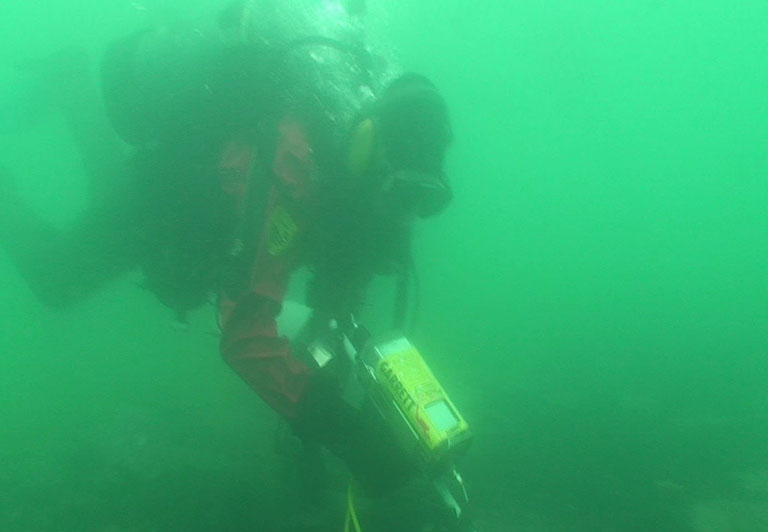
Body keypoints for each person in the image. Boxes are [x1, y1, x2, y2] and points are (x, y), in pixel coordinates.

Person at [0, 1, 453, 495]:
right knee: (57, 281)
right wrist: (348, 437)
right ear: (368, 148)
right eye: (401, 193)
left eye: (421, 199)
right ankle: (45, 128)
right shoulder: (293, 168)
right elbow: (245, 335)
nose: (405, 214)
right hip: (165, 205)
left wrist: (322, 418)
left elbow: (333, 313)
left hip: (195, 210)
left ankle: (70, 82)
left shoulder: (369, 192)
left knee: (110, 187)